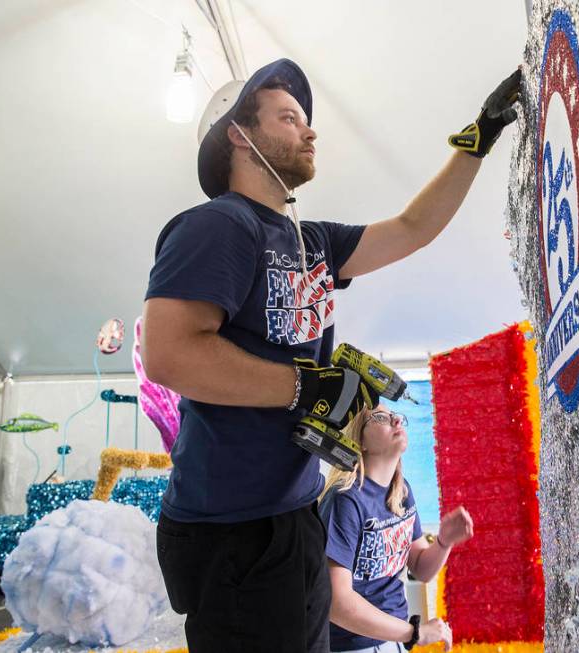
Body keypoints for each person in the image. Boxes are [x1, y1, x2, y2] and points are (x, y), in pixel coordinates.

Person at [142, 57, 521, 653]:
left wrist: (480, 136)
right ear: (240, 137)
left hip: (294, 512)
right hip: (232, 529)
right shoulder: (217, 227)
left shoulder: (309, 239)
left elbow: (413, 227)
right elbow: (167, 354)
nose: (310, 130)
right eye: (289, 118)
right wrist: (304, 388)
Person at [320, 404, 473, 652]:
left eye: (396, 416)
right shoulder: (345, 501)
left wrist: (444, 541)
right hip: (351, 646)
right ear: (360, 441)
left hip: (394, 641)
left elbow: (421, 568)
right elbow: (337, 603)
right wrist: (413, 632)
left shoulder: (400, 492)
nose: (396, 422)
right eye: (380, 417)